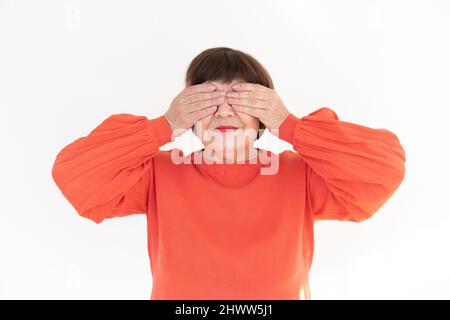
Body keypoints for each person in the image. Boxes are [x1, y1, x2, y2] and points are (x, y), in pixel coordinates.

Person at [51, 47, 406, 300]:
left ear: (264, 112)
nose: (224, 113)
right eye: (207, 101)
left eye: (240, 101)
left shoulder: (301, 175)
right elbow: (74, 176)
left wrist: (292, 127)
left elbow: (384, 168)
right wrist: (163, 126)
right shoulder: (158, 173)